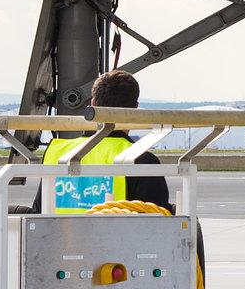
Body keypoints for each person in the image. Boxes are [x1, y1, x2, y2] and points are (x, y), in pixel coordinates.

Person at [42, 69, 172, 213]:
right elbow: (158, 224)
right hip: (117, 236)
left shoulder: (57, 153)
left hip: (55, 235)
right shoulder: (143, 160)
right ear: (135, 108)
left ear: (93, 104)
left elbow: (38, 212)